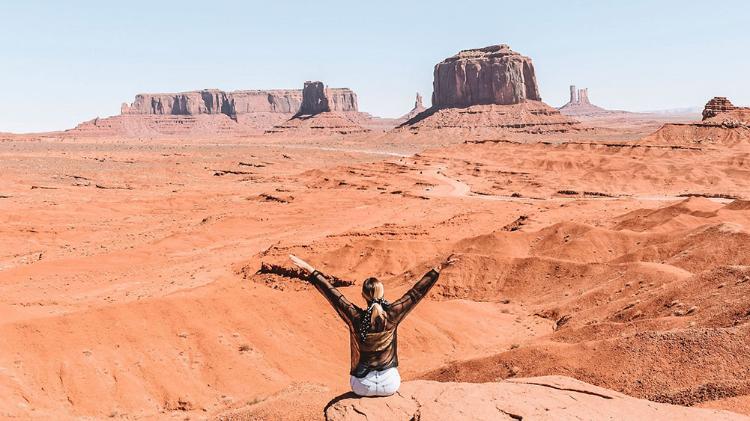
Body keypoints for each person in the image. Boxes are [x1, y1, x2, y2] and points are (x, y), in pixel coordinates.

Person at [289, 254, 457, 397]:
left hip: (362, 387)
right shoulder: (392, 314)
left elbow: (332, 293)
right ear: (382, 293)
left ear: (363, 295)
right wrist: (438, 269)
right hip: (390, 385)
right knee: (393, 375)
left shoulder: (355, 316)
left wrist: (309, 269)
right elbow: (415, 293)